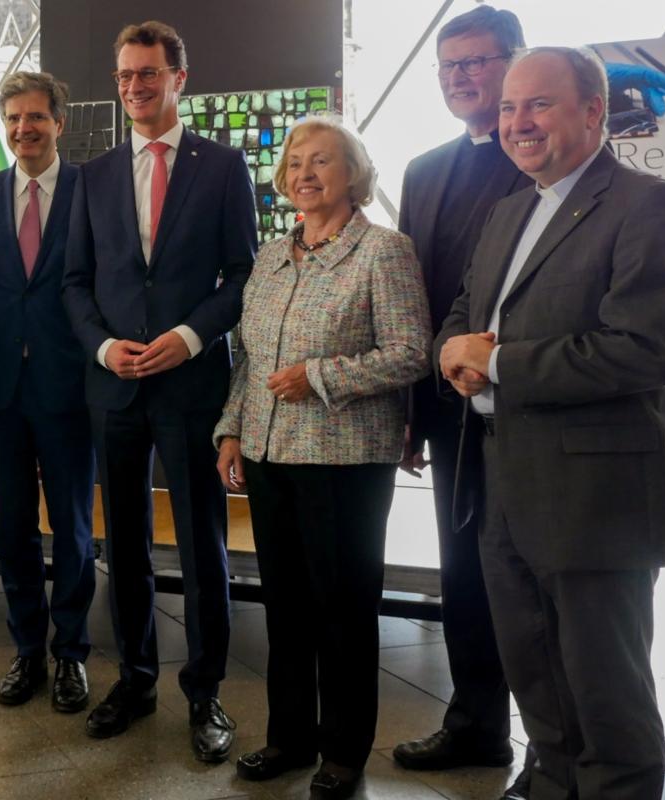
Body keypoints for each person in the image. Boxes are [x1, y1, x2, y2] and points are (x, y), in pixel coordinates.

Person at [436, 47, 665, 799]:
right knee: (542, 697)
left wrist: (495, 364)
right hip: (504, 491)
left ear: (593, 110)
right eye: (511, 108)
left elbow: (640, 351)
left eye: (539, 105)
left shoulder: (649, 205)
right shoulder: (507, 211)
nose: (517, 122)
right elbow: (465, 317)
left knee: (607, 705)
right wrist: (449, 354)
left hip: (598, 500)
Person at [215, 116, 430, 800]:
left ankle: (342, 749)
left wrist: (322, 376)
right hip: (270, 453)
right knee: (285, 607)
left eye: (323, 162)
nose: (305, 174)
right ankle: (288, 737)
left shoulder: (383, 252)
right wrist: (230, 432)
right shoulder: (272, 257)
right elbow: (246, 357)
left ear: (353, 174)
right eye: (296, 163)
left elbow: (410, 353)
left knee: (342, 608)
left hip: (344, 460)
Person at [61, 20, 255, 758]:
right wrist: (106, 346)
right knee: (126, 545)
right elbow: (76, 283)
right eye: (125, 76)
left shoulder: (222, 166)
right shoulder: (96, 174)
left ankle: (204, 695)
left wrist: (189, 337)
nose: (135, 87)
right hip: (113, 387)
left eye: (148, 74)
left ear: (179, 78)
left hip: (190, 386)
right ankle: (134, 679)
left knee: (203, 548)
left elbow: (242, 274)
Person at [393, 5, 534, 784]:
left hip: (534, 407)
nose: (462, 78)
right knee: (463, 573)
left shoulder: (543, 159)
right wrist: (414, 412)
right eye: (450, 67)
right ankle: (476, 724)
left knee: (536, 576)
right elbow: (419, 300)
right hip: (449, 411)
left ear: (515, 63)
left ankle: (556, 741)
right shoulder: (424, 170)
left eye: (477, 63)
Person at [0, 72, 94, 714]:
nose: (23, 130)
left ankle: (70, 653)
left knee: (69, 526)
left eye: (35, 118)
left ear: (59, 122)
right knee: (12, 525)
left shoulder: (90, 190)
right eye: (12, 119)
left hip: (69, 385)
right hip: (1, 389)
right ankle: (26, 648)